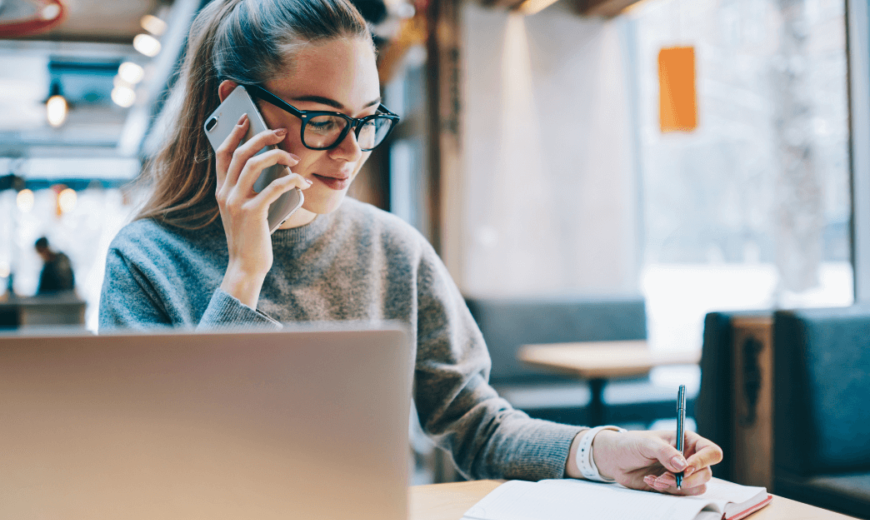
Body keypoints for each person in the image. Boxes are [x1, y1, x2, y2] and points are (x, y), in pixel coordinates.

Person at [100, 0, 721, 494]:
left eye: (366, 118)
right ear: (233, 107)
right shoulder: (145, 260)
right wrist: (244, 272)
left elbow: (476, 426)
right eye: (321, 118)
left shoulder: (391, 248)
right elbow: (161, 468)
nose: (350, 152)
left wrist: (600, 452)